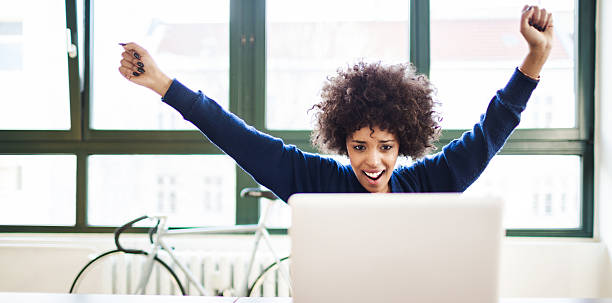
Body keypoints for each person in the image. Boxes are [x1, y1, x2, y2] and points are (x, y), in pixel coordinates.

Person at [118, 5, 553, 203]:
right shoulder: (313, 180)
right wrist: (162, 83)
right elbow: (236, 137)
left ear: (402, 145)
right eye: (360, 146)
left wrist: (534, 59)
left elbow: (489, 133)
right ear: (343, 144)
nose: (373, 161)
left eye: (385, 145)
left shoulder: (428, 185)